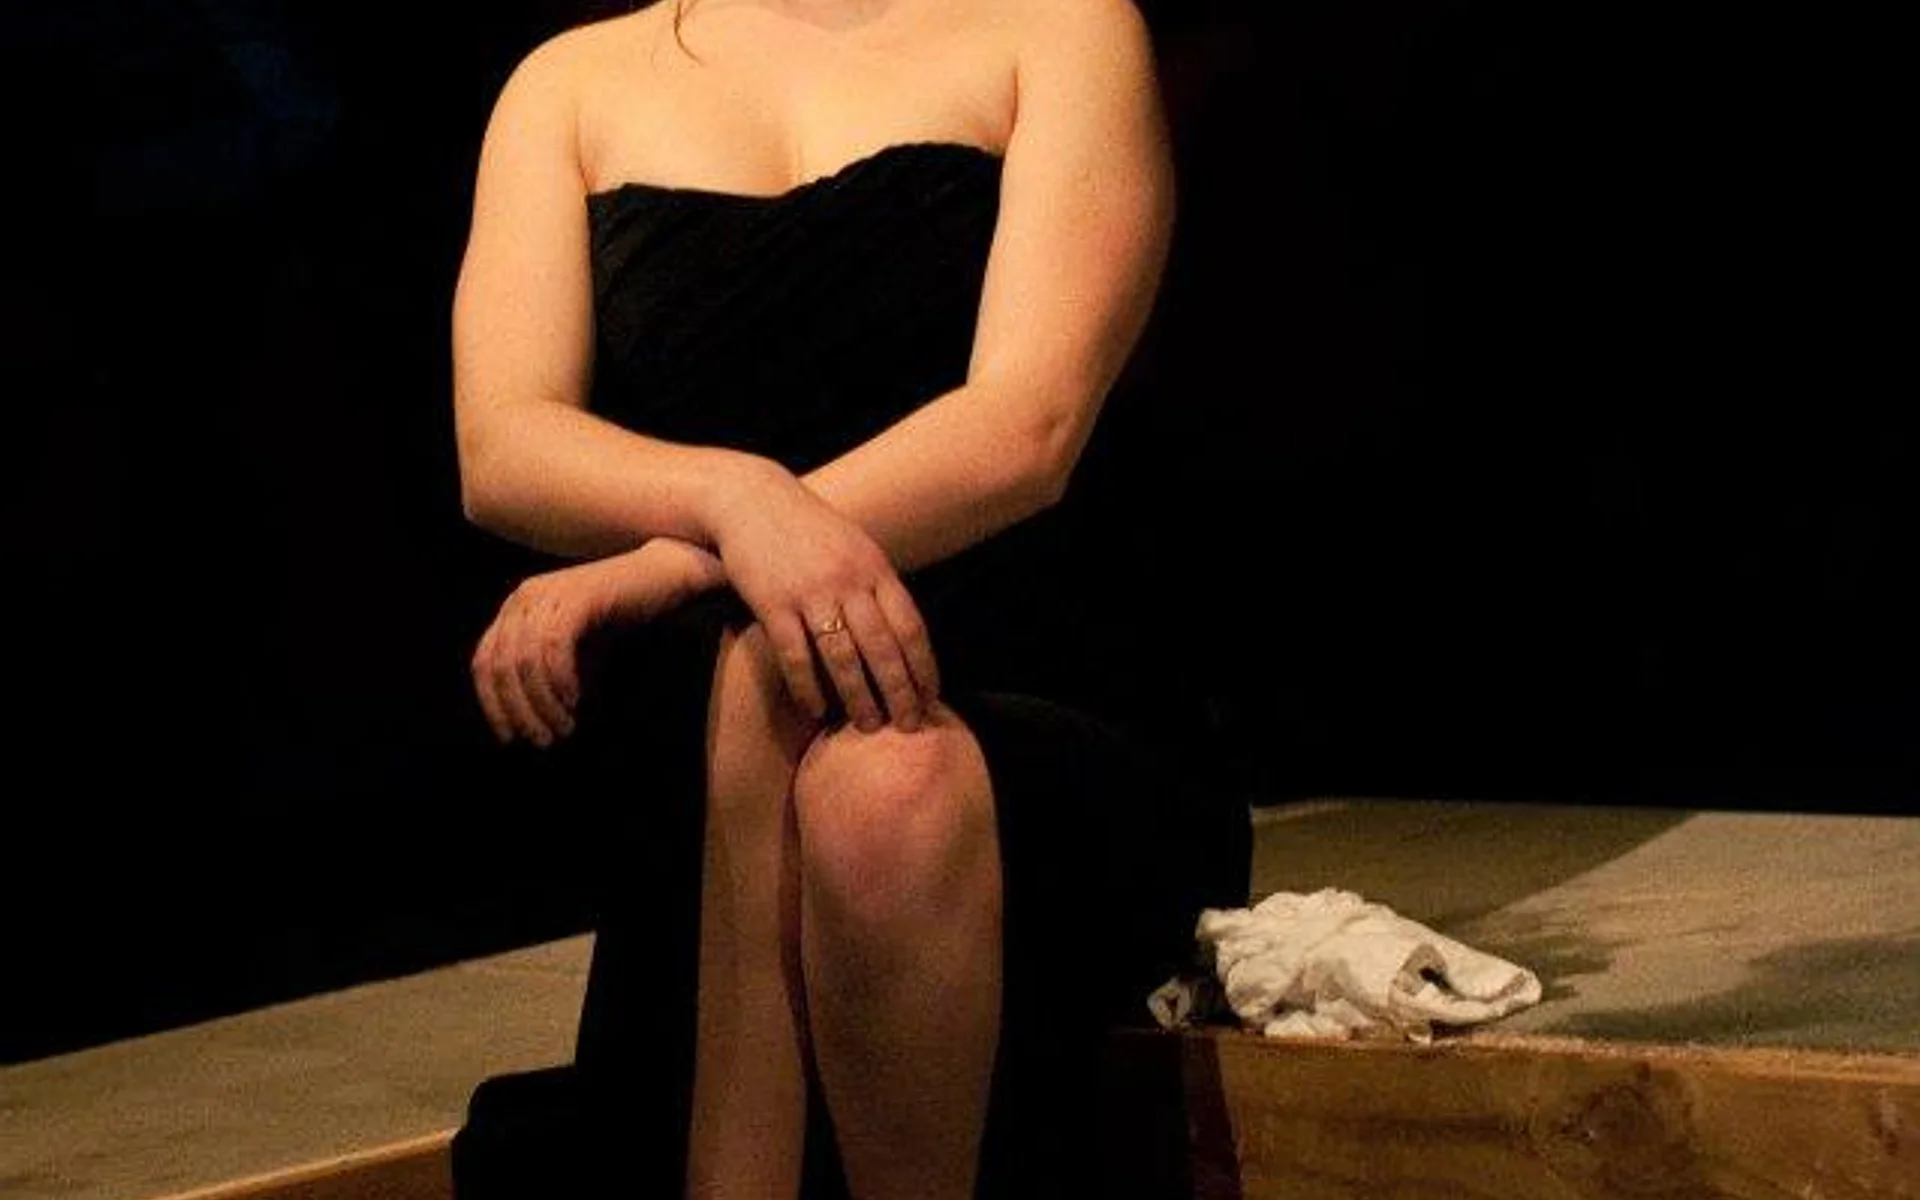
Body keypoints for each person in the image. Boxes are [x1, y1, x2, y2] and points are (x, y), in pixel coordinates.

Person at [446, 0, 1250, 1195]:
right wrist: (737, 501)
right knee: (790, 701)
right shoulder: (568, 84)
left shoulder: (1059, 27)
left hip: (1034, 676)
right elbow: (504, 445)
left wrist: (688, 560)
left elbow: (1025, 429)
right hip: (712, 722)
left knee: (880, 783)